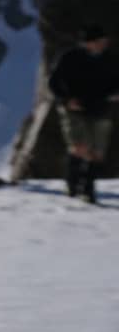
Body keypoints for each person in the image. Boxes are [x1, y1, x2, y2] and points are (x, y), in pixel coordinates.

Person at [49, 24, 119, 203]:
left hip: (101, 109)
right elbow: (54, 82)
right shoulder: (70, 58)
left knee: (97, 153)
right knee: (79, 147)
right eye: (100, 41)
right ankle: (73, 186)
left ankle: (88, 189)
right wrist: (66, 100)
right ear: (90, 42)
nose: (104, 44)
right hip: (74, 109)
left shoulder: (109, 59)